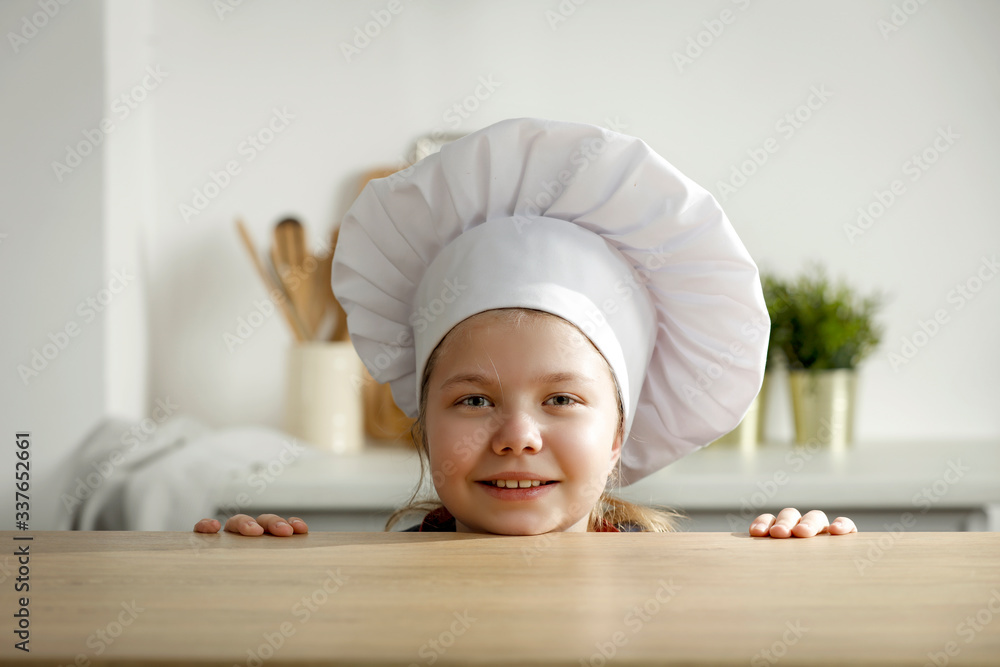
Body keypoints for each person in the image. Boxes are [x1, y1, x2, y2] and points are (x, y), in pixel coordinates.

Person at [195, 118, 857, 539]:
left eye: (562, 398)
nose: (517, 437)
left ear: (620, 431)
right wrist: (257, 564)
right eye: (474, 399)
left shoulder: (662, 585)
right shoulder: (382, 580)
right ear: (421, 420)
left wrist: (805, 551)